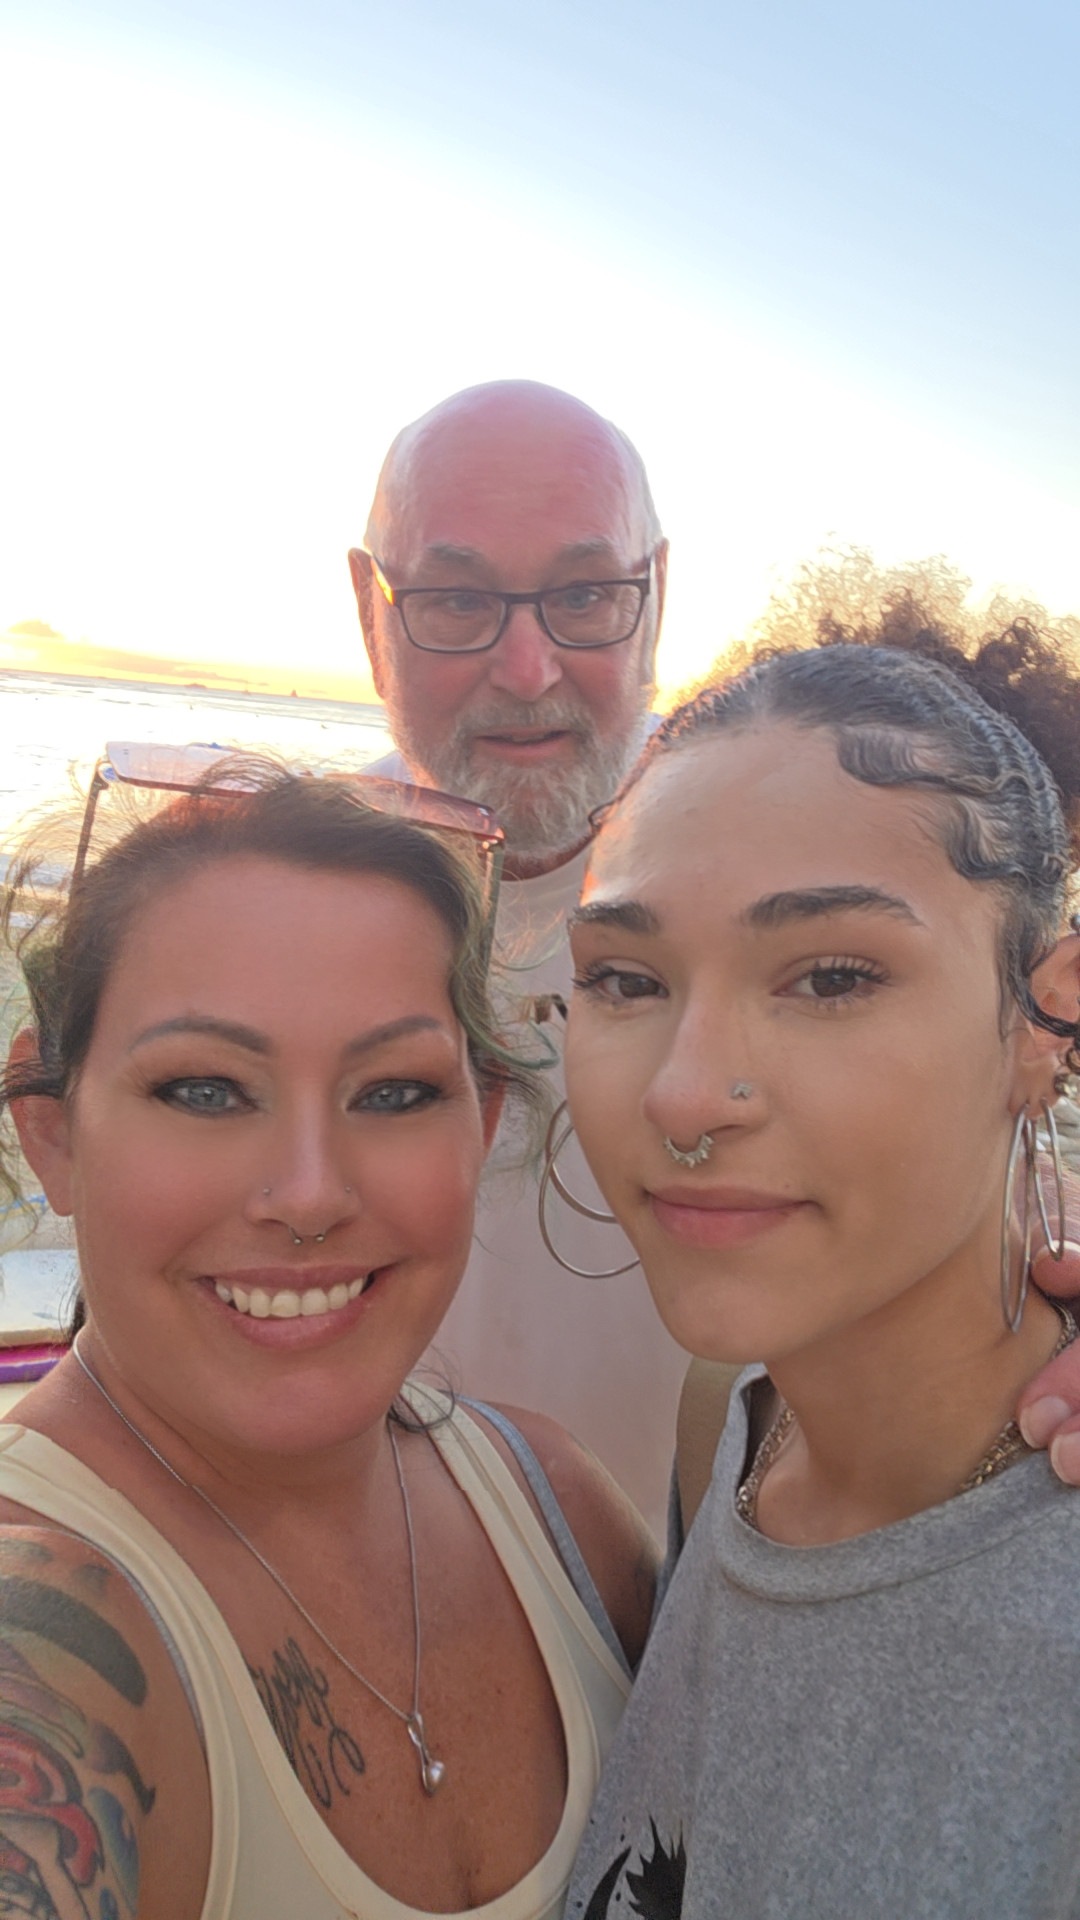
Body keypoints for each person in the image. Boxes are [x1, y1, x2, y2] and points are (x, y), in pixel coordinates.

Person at [0, 758, 654, 1918]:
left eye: (393, 1093)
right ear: (51, 1132)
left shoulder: (562, 1518)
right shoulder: (38, 1631)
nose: (308, 1195)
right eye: (205, 1090)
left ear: (481, 1124)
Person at [563, 609, 1080, 1916]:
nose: (686, 1096)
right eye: (626, 979)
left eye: (833, 977)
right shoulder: (734, 1427)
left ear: (1047, 1018)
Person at [349, 380, 689, 1533]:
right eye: (456, 600)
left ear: (655, 597)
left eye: (586, 595)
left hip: (703, 1591)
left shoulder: (789, 880)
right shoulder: (282, 892)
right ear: (369, 612)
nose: (529, 668)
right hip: (350, 1578)